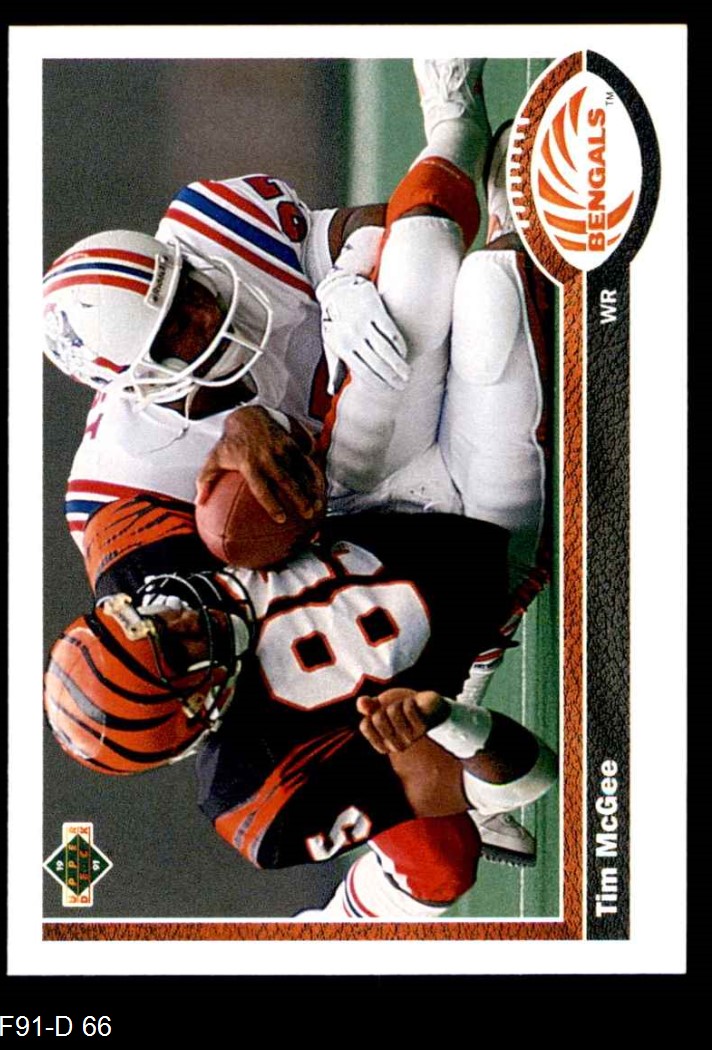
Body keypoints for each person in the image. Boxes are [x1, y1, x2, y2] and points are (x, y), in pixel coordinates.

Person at [43, 57, 555, 873]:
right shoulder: (121, 484)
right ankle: (446, 734)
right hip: (343, 501)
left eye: (185, 288)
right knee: (491, 290)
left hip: (376, 421)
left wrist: (346, 274)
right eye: (172, 333)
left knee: (434, 256)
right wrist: (435, 739)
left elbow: (361, 224)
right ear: (130, 384)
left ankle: (455, 124)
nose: (202, 317)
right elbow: (215, 578)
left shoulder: (210, 222)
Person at [45, 497, 557, 921]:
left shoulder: (136, 554)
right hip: (361, 718)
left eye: (142, 616)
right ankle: (328, 935)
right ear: (195, 707)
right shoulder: (255, 790)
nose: (175, 616)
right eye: (176, 648)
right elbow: (510, 772)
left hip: (364, 528)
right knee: (441, 865)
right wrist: (449, 731)